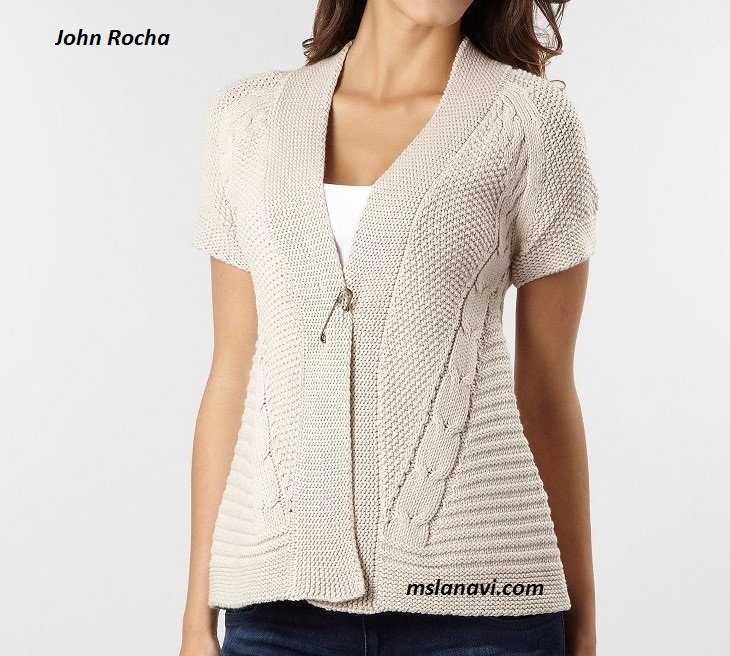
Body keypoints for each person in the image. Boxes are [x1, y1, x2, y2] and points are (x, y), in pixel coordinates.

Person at [180, 1, 599, 655]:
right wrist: (195, 618)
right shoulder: (248, 118)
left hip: (485, 605)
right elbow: (232, 373)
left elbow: (547, 390)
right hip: (275, 608)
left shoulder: (530, 121)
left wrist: (584, 628)